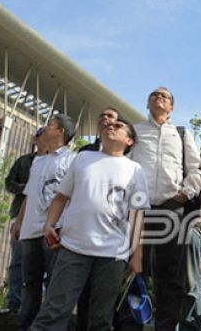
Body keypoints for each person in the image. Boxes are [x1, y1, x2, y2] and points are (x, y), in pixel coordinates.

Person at [28, 119, 149, 331]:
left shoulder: (135, 169)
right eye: (108, 124)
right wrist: (49, 224)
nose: (111, 126)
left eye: (119, 126)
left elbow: (137, 215)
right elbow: (60, 198)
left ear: (129, 140)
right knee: (53, 311)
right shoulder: (83, 158)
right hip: (73, 248)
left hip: (113, 254)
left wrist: (137, 256)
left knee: (101, 318)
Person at [129, 87, 201, 331]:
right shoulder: (135, 131)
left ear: (171, 107)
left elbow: (196, 168)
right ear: (147, 103)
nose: (159, 97)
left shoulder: (181, 134)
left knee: (171, 275)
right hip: (138, 208)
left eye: (165, 96)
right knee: (131, 267)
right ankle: (128, 324)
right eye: (154, 95)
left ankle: (166, 326)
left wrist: (185, 193)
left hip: (172, 208)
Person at [13, 114, 76, 330]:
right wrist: (19, 222)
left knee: (54, 284)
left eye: (50, 125)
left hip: (54, 231)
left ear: (61, 132)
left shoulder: (72, 160)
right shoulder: (38, 161)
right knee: (29, 283)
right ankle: (26, 325)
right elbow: (29, 195)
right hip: (30, 232)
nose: (45, 128)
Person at [75, 107, 119, 331]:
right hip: (82, 236)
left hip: (112, 238)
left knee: (105, 297)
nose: (105, 120)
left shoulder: (124, 156)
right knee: (82, 294)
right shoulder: (84, 153)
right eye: (102, 116)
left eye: (111, 117)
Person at [0, 127, 46, 314]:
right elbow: (9, 182)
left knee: (43, 263)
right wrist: (27, 189)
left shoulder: (57, 162)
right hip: (20, 214)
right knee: (18, 259)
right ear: (35, 140)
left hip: (45, 218)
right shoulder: (24, 161)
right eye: (40, 136)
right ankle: (14, 302)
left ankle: (37, 305)